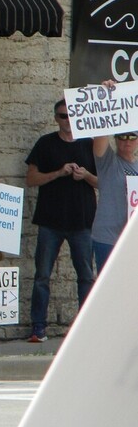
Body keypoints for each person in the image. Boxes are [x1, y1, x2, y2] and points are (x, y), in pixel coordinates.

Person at [25, 98, 97, 343]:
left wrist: (85, 175)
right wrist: (58, 173)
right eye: (62, 116)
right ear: (55, 118)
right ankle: (38, 328)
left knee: (86, 276)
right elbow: (31, 179)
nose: (67, 120)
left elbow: (102, 183)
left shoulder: (89, 144)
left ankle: (85, 327)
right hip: (50, 221)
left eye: (71, 115)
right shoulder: (45, 143)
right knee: (42, 275)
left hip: (82, 221)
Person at [92, 81, 138, 271]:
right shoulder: (108, 162)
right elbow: (100, 138)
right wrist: (108, 99)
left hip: (131, 239)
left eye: (132, 137)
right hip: (108, 237)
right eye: (121, 137)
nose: (126, 142)